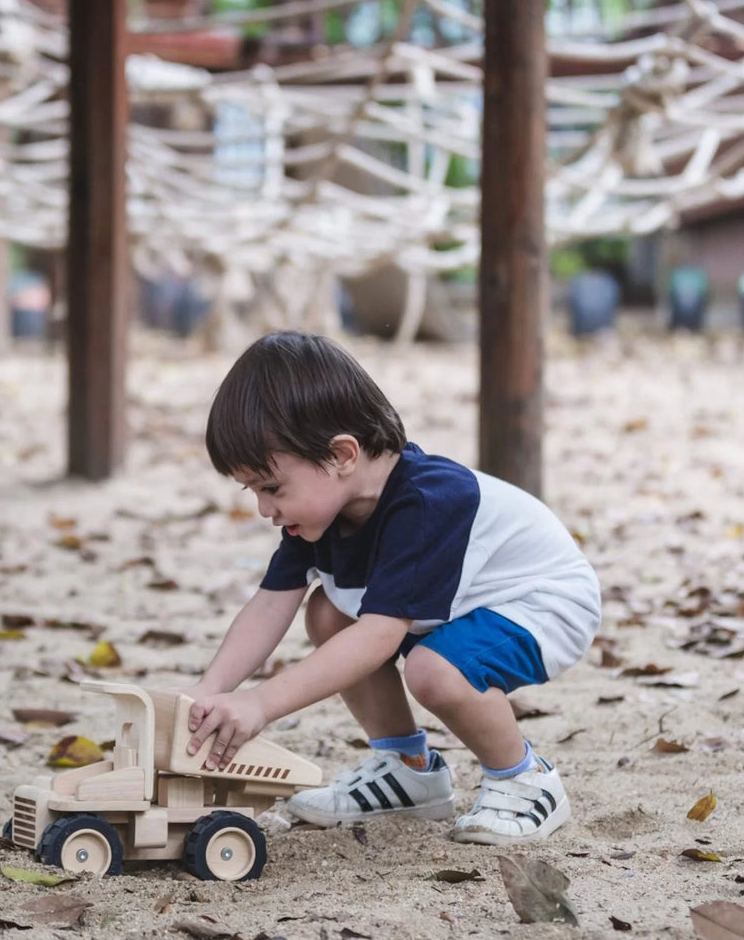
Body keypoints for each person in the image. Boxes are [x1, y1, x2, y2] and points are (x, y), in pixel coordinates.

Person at [185, 331, 601, 845]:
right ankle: (409, 771)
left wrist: (260, 704)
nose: (263, 508)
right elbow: (271, 603)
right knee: (327, 612)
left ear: (342, 455)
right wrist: (208, 691)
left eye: (271, 487)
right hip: (466, 605)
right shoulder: (321, 512)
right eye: (252, 490)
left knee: (435, 670)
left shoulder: (425, 503)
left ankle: (525, 780)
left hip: (543, 602)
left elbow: (380, 636)